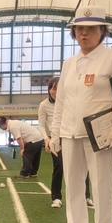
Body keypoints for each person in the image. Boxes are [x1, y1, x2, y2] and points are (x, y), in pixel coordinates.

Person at [49, 6, 112, 223]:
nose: (84, 33)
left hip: (100, 135)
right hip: (70, 133)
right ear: (74, 33)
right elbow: (60, 101)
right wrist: (55, 133)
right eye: (79, 29)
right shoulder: (69, 62)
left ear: (102, 31)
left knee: (102, 186)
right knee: (73, 186)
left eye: (91, 28)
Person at [38, 78, 93, 208]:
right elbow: (40, 124)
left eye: (59, 88)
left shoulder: (69, 102)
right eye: (53, 88)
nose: (56, 92)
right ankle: (56, 197)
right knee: (59, 167)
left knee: (82, 166)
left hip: (71, 136)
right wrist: (47, 138)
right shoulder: (44, 105)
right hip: (56, 138)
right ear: (49, 90)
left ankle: (86, 197)